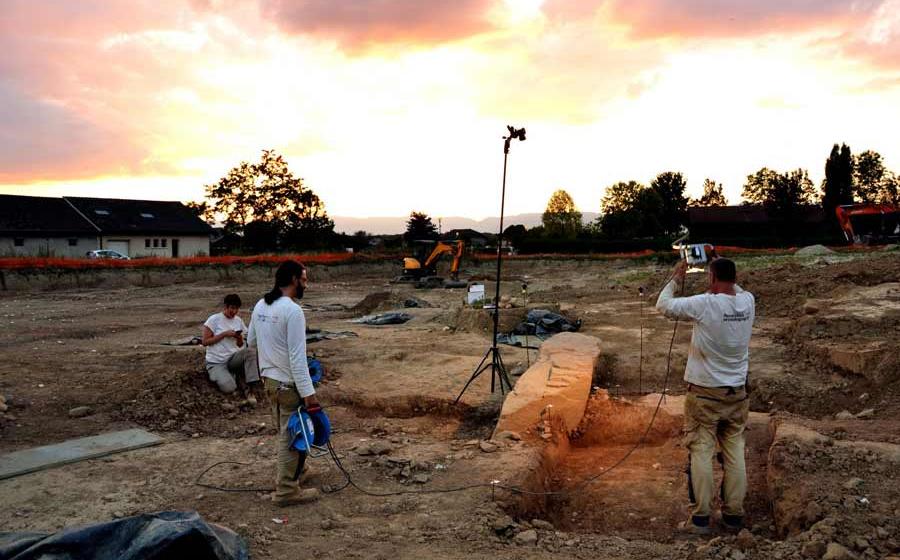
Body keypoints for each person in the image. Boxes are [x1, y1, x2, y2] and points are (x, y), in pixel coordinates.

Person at [656, 258, 755, 535]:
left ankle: (701, 518)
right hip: (736, 394)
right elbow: (734, 287)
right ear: (735, 278)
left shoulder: (705, 303)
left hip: (705, 395)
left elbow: (663, 305)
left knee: (702, 452)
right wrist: (717, 260)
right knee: (735, 453)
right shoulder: (748, 301)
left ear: (711, 277)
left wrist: (677, 276)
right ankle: (734, 516)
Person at [246, 260, 319, 506]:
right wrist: (309, 394)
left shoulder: (261, 305)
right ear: (293, 280)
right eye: (304, 279)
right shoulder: (293, 311)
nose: (306, 284)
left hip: (271, 382)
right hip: (289, 384)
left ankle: (298, 472)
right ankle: (287, 490)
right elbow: (297, 359)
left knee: (290, 430)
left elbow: (251, 341)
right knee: (291, 436)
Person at [202, 294, 259, 394]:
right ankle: (219, 374)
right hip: (217, 362)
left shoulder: (238, 321)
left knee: (250, 351)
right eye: (232, 308)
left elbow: (241, 344)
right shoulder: (214, 320)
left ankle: (252, 385)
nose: (234, 311)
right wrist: (224, 334)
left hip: (233, 359)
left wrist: (239, 337)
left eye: (237, 309)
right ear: (225, 307)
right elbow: (205, 342)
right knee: (229, 388)